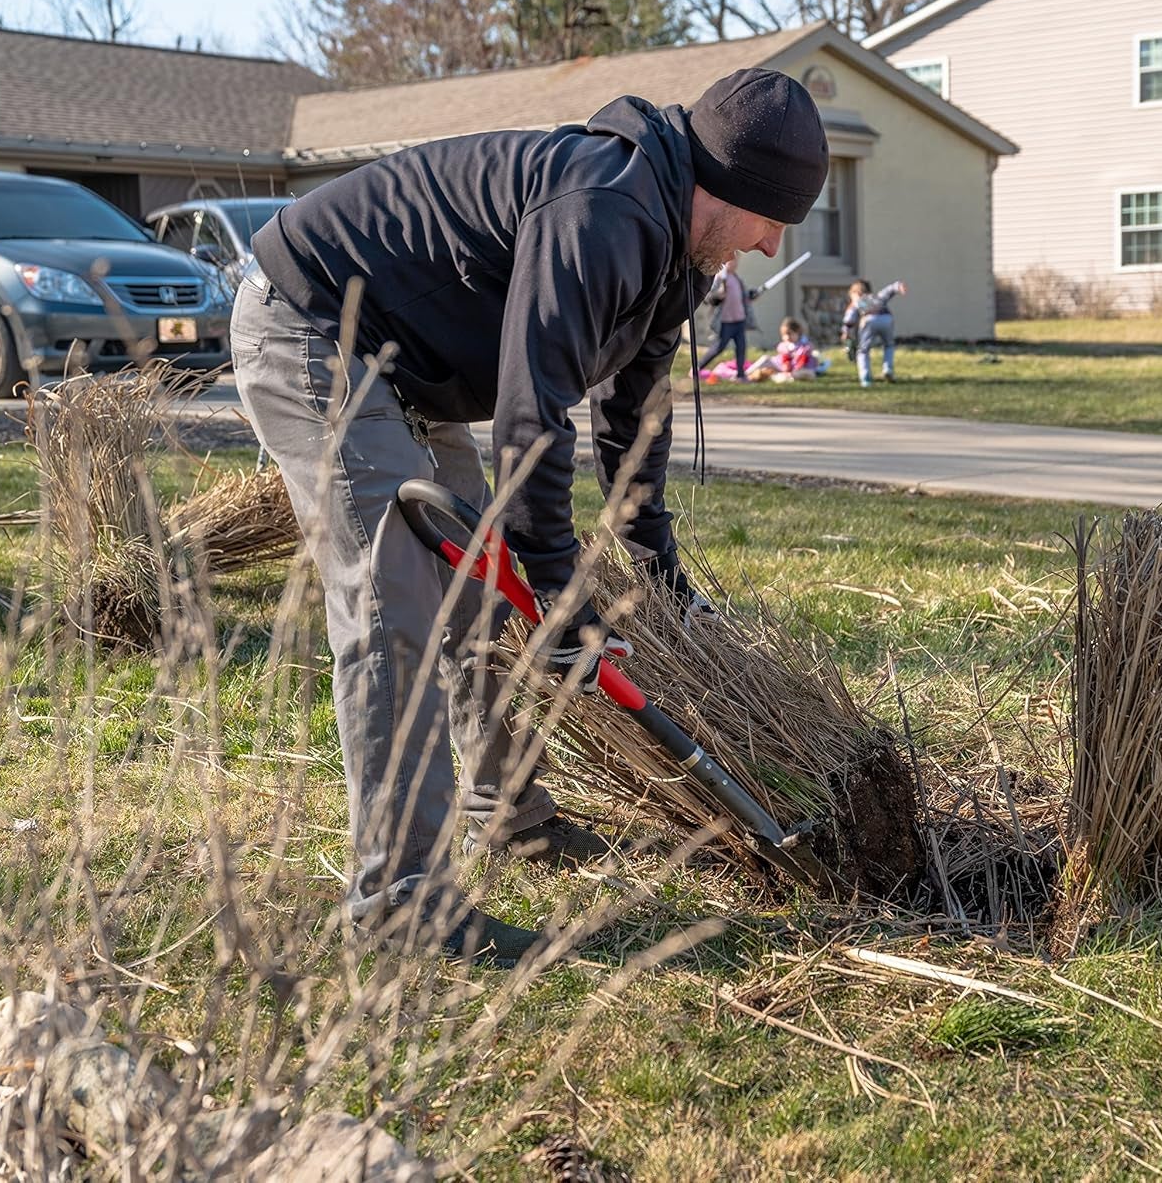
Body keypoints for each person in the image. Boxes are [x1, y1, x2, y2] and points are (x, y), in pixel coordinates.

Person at [231, 68, 828, 966]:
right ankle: (402, 906)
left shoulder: (678, 252)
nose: (774, 241)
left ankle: (503, 815)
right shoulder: (605, 210)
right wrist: (556, 585)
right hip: (315, 326)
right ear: (725, 188)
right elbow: (531, 411)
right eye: (770, 217)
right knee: (397, 604)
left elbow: (633, 419)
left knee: (480, 595)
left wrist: (654, 566)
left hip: (411, 368)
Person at [696, 254, 758, 383]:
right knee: (719, 347)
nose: (734, 264)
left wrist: (750, 295)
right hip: (726, 321)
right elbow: (709, 298)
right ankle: (698, 367)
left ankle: (740, 375)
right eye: (731, 262)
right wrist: (719, 295)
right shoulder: (719, 279)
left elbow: (742, 297)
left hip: (739, 320)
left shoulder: (737, 279)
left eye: (736, 262)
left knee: (741, 347)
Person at [841, 279, 908, 386]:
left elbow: (849, 318)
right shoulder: (878, 296)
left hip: (869, 320)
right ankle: (888, 369)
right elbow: (889, 290)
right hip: (886, 318)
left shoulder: (858, 301)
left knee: (863, 350)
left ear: (857, 293)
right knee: (889, 345)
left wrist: (846, 331)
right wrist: (898, 286)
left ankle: (865, 378)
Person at [747, 317, 826, 381]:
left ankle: (785, 377)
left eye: (790, 334)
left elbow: (804, 357)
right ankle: (745, 373)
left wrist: (797, 355)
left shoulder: (804, 345)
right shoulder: (784, 345)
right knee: (765, 358)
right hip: (783, 366)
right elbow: (782, 357)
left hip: (799, 368)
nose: (787, 337)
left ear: (797, 332)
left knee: (809, 374)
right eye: (784, 335)